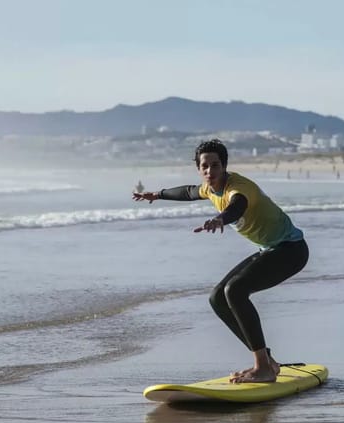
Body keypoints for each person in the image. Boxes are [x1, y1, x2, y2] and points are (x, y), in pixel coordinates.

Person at [132, 139, 308, 383]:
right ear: (199, 168)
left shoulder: (238, 188)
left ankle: (263, 368)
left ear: (224, 166)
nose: (210, 171)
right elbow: (188, 192)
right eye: (204, 166)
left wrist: (220, 219)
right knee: (217, 298)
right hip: (270, 249)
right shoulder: (209, 188)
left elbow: (237, 206)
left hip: (292, 251)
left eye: (215, 165)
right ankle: (267, 361)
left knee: (235, 290)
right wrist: (158, 195)